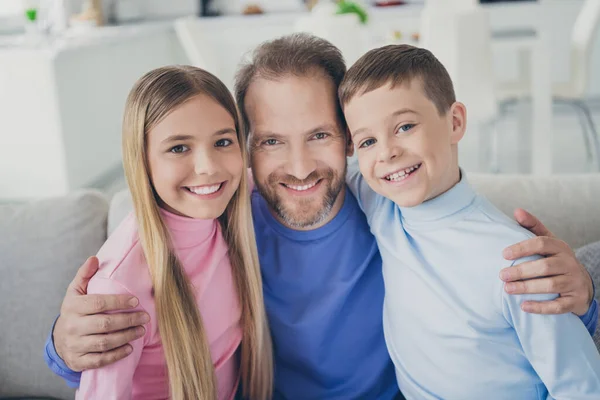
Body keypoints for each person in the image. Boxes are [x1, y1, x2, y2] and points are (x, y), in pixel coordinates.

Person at [44, 35, 597, 399]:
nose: (301, 166)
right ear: (244, 146)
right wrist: (66, 344)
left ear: (352, 140)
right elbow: (144, 307)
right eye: (271, 142)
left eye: (320, 136)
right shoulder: (225, 224)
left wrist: (584, 288)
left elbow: (482, 254)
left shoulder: (388, 202)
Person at [340, 44, 600, 399]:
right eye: (367, 140)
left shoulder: (515, 261)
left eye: (404, 126)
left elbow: (581, 387)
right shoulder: (381, 204)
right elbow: (311, 169)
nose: (386, 152)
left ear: (455, 122)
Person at [73, 65, 272, 399]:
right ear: (143, 160)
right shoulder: (120, 287)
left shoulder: (229, 206)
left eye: (223, 141)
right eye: (179, 148)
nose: (208, 167)